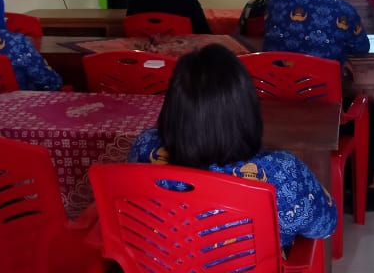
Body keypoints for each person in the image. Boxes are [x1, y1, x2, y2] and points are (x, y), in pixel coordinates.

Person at [128, 44, 337, 247]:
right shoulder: (282, 173)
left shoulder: (144, 148)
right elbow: (325, 226)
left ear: (173, 108)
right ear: (247, 110)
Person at [263, 0, 374, 211]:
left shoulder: (275, 4)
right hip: (324, 114)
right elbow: (362, 47)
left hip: (278, 109)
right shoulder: (341, 9)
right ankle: (354, 192)